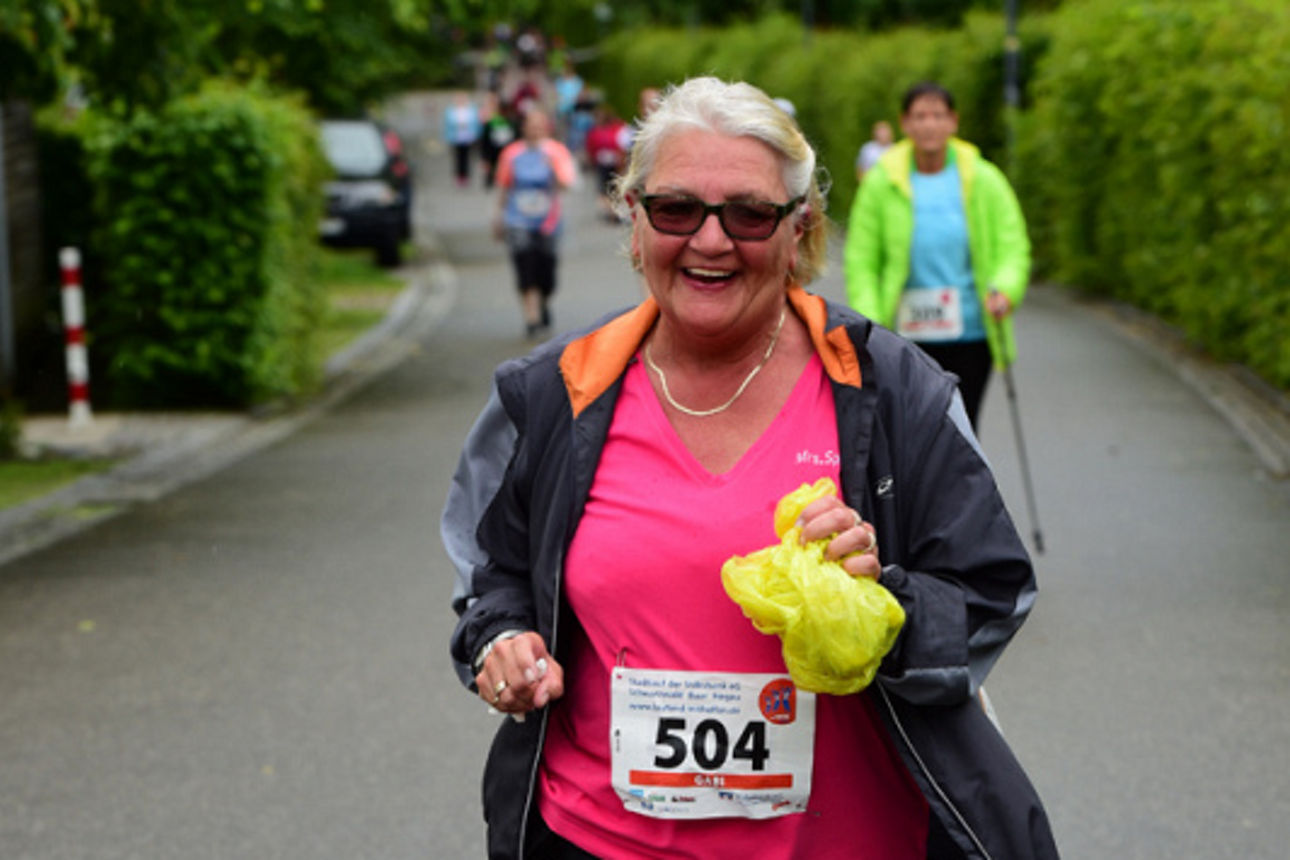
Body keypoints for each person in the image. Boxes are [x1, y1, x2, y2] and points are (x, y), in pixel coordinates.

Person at [445, 77, 1056, 859]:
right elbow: (493, 574)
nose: (710, 241)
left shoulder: (892, 391)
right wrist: (502, 641)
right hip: (595, 839)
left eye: (749, 214)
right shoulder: (556, 392)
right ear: (634, 220)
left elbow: (992, 591)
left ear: (799, 230)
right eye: (676, 209)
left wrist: (880, 604)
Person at [844, 82, 1030, 430]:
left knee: (963, 429)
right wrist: (869, 320)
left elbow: (1012, 244)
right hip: (902, 336)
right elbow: (861, 258)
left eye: (938, 115)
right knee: (910, 433)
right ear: (905, 123)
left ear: (953, 121)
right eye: (920, 116)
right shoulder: (880, 183)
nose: (929, 124)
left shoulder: (985, 179)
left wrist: (1006, 289)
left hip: (971, 332)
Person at [492, 108, 577, 338]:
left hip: (548, 220)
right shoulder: (511, 153)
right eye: (531, 125)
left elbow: (567, 184)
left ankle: (543, 301)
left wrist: (552, 168)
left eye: (539, 125)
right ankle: (532, 317)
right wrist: (498, 217)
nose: (535, 129)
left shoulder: (556, 151)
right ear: (523, 127)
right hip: (517, 219)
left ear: (547, 128)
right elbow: (504, 186)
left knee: (546, 269)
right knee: (524, 265)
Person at [583, 103, 628, 222]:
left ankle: (615, 210)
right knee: (604, 189)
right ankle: (611, 211)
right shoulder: (594, 131)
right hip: (601, 164)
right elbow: (590, 147)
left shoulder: (616, 128)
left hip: (616, 163)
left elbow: (621, 144)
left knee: (616, 187)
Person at [443, 91, 482, 188]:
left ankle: (466, 175)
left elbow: (476, 123)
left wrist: (476, 134)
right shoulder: (451, 111)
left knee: (467, 157)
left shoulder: (471, 110)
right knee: (458, 157)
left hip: (468, 136)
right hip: (456, 137)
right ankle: (459, 175)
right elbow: (447, 124)